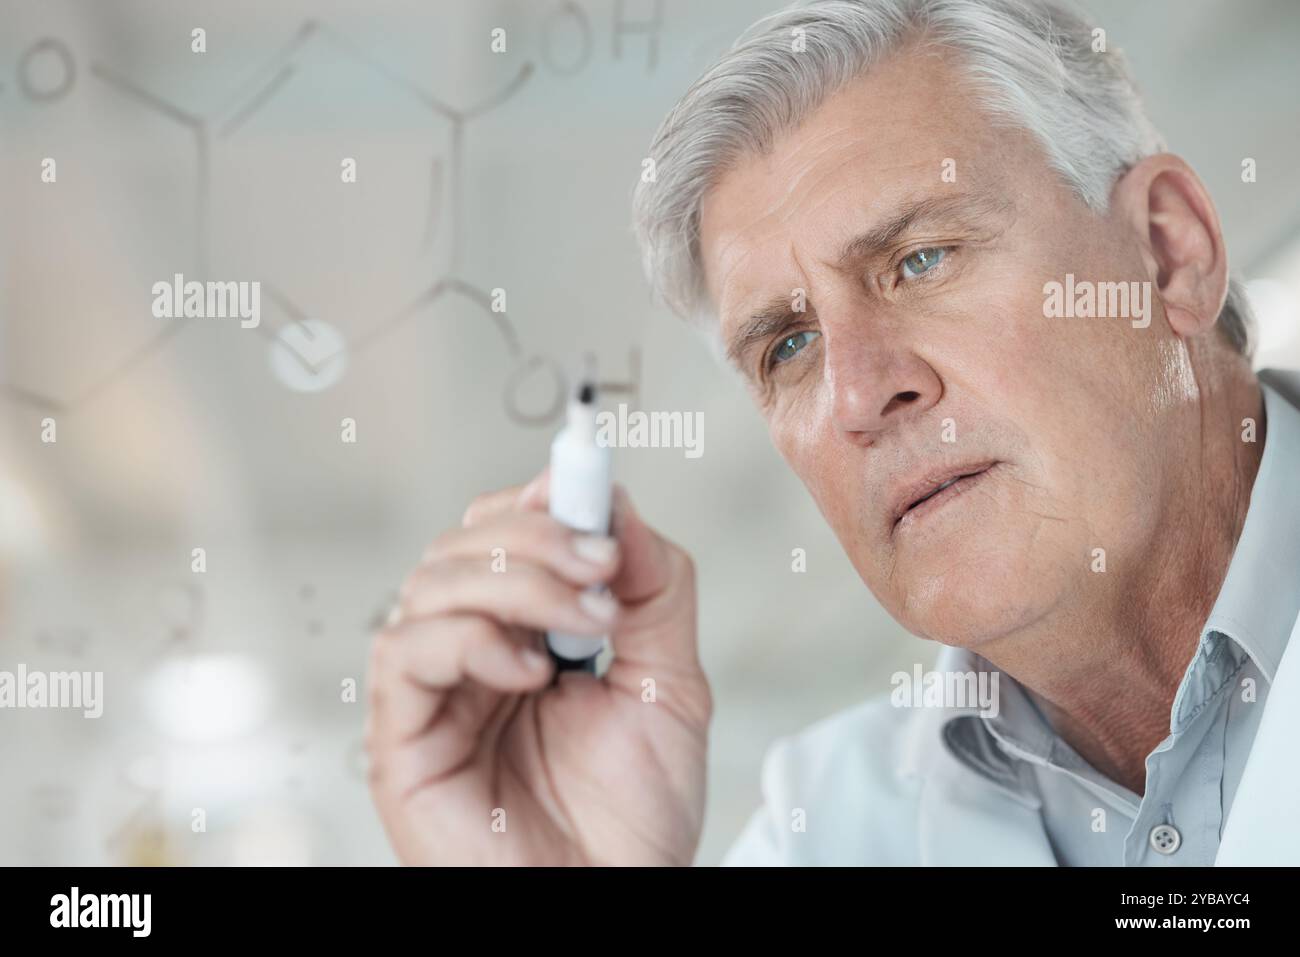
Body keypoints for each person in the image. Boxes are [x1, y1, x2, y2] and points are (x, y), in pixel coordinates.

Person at [365, 0, 1300, 865]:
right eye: (791, 344)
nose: (858, 393)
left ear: (1170, 251)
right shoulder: (824, 824)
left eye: (920, 261)